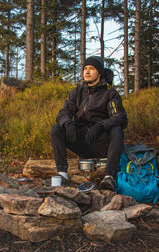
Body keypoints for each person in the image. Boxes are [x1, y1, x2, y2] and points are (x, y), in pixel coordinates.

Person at [50, 56, 128, 191]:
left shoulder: (110, 93)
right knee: (57, 129)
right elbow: (63, 112)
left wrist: (100, 126)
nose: (87, 72)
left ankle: (109, 177)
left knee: (117, 131)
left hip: (101, 142)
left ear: (99, 72)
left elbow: (120, 117)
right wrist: (68, 123)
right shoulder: (77, 91)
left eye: (91, 69)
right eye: (85, 69)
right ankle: (62, 174)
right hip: (82, 141)